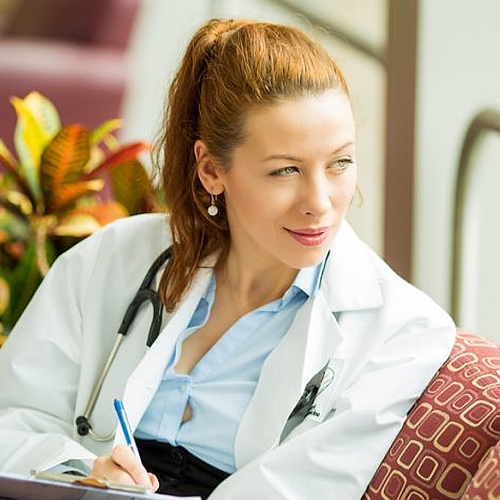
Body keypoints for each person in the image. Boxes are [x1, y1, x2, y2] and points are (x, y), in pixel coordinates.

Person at [0, 18, 455, 500]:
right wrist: (85, 473)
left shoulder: (403, 333)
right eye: (286, 170)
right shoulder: (111, 258)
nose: (319, 203)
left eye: (339, 162)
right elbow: (12, 419)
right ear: (212, 170)